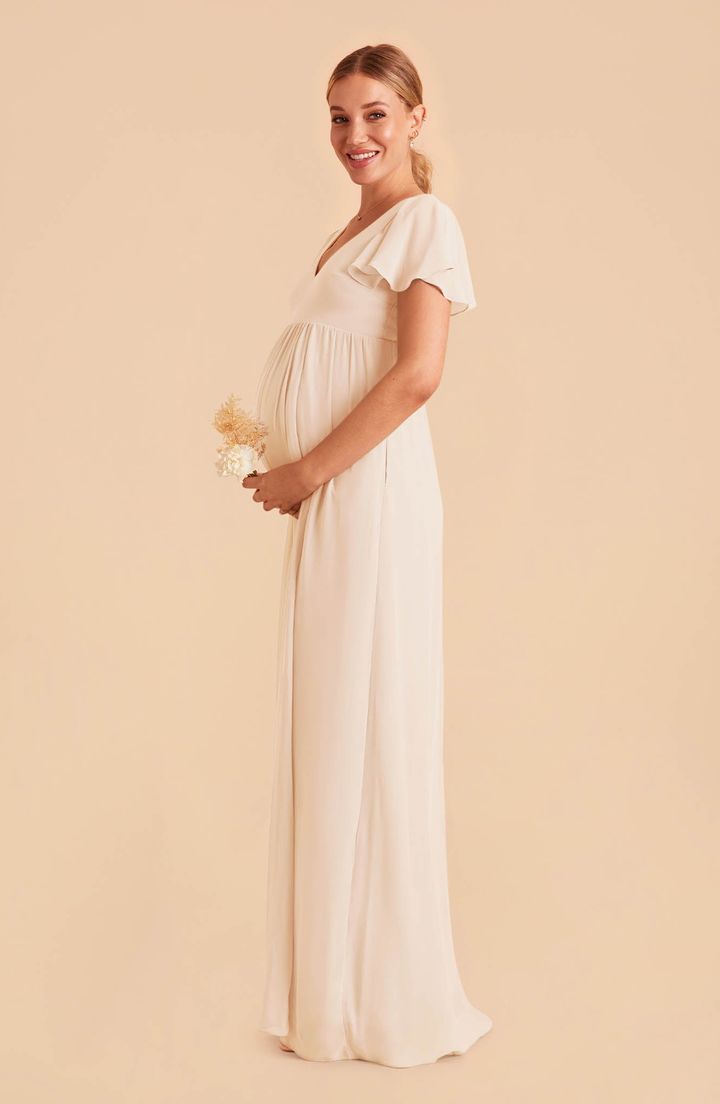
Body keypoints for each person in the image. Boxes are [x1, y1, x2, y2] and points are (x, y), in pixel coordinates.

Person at [241, 42, 493, 1068]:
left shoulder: (425, 222)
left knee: (370, 706)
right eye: (340, 117)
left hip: (372, 495)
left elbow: (418, 375)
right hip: (339, 497)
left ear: (417, 118)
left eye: (377, 114)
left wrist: (305, 473)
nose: (356, 136)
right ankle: (332, 991)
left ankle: (386, 994)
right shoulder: (353, 227)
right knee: (333, 709)